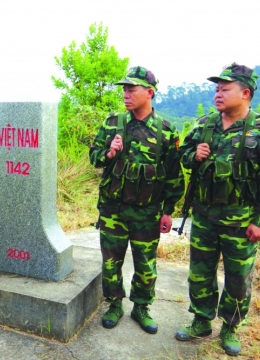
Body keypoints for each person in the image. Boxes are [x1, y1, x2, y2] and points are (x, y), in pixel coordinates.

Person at [89, 66, 184, 334]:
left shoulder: (166, 131)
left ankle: (141, 306)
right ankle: (114, 303)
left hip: (148, 211)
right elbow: (94, 157)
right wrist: (109, 153)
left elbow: (174, 176)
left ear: (149, 92)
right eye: (124, 89)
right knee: (111, 262)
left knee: (145, 264)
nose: (126, 94)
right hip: (113, 210)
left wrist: (168, 212)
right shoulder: (112, 123)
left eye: (132, 89)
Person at [175, 63, 260, 356]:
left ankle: (230, 327)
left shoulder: (258, 129)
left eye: (225, 88)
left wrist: (258, 221)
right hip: (205, 217)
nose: (218, 93)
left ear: (245, 93)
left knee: (238, 277)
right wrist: (194, 156)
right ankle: (201, 320)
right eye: (216, 88)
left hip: (241, 221)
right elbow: (182, 156)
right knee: (200, 273)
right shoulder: (204, 124)